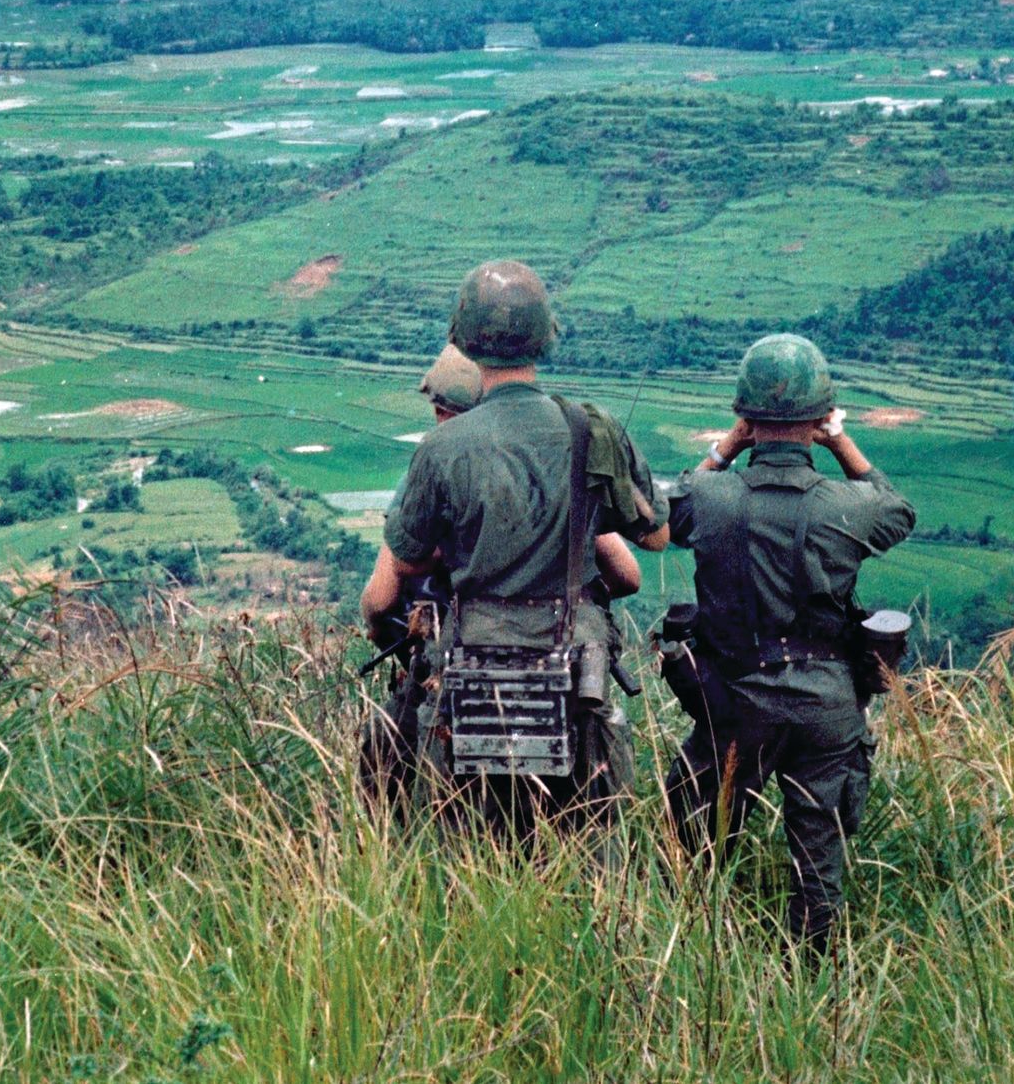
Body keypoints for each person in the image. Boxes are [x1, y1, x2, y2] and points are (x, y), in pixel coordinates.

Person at [363, 264, 666, 834]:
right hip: (574, 660)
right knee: (586, 846)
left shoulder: (442, 447)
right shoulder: (590, 429)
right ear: (545, 337)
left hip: (472, 654)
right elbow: (654, 538)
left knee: (467, 845)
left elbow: (400, 565)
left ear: (466, 340)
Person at [662, 333, 915, 950]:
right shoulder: (848, 507)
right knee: (818, 867)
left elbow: (669, 513)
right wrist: (840, 441)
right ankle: (812, 979)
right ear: (819, 417)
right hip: (826, 702)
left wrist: (727, 447)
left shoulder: (710, 497)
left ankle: (693, 954)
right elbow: (898, 510)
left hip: (735, 701)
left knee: (692, 848)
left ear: (745, 417)